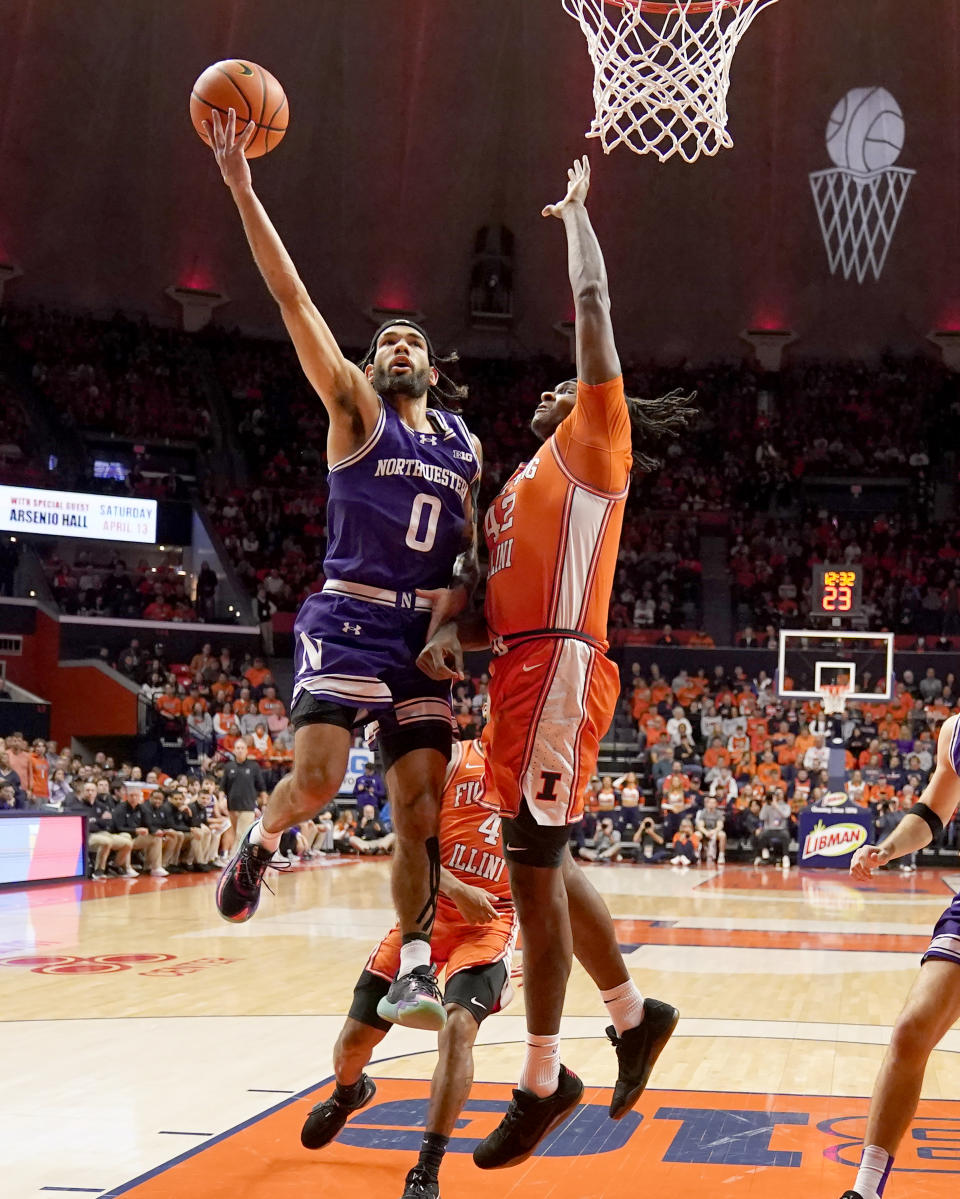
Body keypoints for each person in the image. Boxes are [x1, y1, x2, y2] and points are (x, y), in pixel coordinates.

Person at [418, 157, 691, 1167]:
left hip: (562, 673)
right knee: (552, 861)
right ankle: (630, 1014)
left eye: (568, 380)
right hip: (514, 677)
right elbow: (492, 614)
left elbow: (590, 303)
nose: (555, 382)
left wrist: (576, 218)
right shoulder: (510, 486)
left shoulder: (594, 443)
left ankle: (542, 1074)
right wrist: (455, 636)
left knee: (533, 876)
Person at [205, 108, 481, 1031]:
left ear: (434, 368)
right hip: (348, 615)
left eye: (414, 342)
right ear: (373, 364)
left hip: (417, 637)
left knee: (421, 805)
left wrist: (448, 625)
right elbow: (296, 303)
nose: (399, 347)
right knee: (319, 779)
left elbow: (468, 557)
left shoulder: (465, 445)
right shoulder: (356, 411)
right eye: (388, 340)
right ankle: (263, 834)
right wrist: (245, 189)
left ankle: (409, 961)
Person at [299, 737, 515, 1199]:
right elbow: (409, 837)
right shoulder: (455, 756)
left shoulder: (542, 775)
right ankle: (348, 1093)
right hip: (427, 910)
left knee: (457, 1029)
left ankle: (426, 1169)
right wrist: (454, 888)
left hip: (490, 925)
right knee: (352, 1045)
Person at [839, 712, 960, 1199]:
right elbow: (934, 811)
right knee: (912, 1033)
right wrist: (886, 848)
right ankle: (865, 1191)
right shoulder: (955, 731)